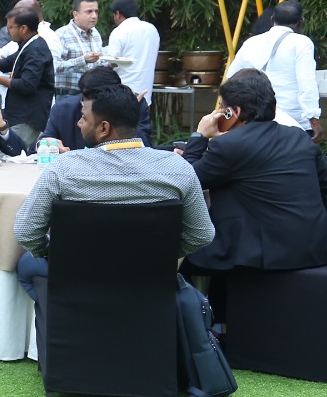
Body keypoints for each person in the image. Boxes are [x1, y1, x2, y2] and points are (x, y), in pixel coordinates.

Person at [13, 83, 214, 300]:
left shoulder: (63, 169)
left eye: (84, 118)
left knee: (27, 266)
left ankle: (59, 313)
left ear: (104, 128)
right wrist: (158, 255)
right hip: (148, 287)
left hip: (79, 283)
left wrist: (57, 254)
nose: (78, 123)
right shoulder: (178, 169)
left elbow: (26, 232)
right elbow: (201, 234)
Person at [179, 68, 327, 290]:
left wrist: (199, 136)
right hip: (314, 248)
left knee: (181, 253)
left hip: (265, 255)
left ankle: (203, 311)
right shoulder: (298, 137)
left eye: (222, 108)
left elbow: (186, 180)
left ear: (234, 111)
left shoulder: (230, 145)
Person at [224, 0, 320, 139]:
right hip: (293, 121)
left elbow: (232, 77)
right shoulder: (302, 43)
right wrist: (313, 119)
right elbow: (306, 84)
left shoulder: (251, 42)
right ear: (301, 22)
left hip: (257, 119)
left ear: (272, 19)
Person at [0, 7, 54, 146]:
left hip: (27, 117)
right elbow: (10, 62)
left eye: (10, 27)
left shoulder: (37, 49)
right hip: (18, 114)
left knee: (12, 152)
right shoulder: (28, 44)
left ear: (23, 28)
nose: (7, 31)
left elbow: (28, 85)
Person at [40, 66, 152, 150]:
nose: (80, 123)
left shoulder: (135, 104)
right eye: (86, 98)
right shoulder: (63, 109)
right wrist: (45, 143)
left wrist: (129, 113)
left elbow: (145, 146)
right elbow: (42, 142)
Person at [106, 0, 160, 103]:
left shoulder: (119, 31)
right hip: (145, 92)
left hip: (123, 92)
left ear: (118, 14)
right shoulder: (152, 29)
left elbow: (112, 62)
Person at [53, 0, 104, 96]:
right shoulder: (62, 34)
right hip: (68, 96)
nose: (94, 16)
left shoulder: (95, 33)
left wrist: (110, 64)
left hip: (91, 95)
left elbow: (96, 64)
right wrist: (83, 60)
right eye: (89, 12)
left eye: (96, 11)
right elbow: (54, 67)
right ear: (76, 14)